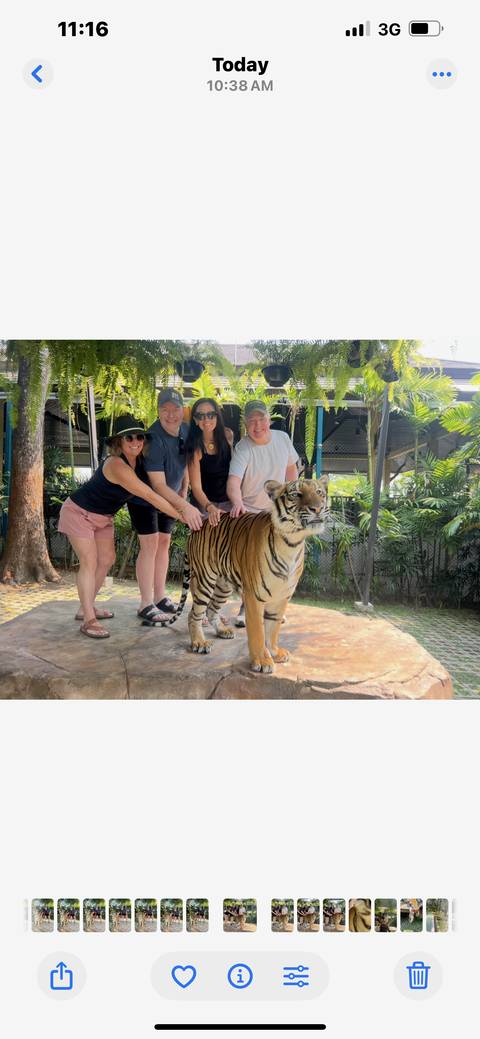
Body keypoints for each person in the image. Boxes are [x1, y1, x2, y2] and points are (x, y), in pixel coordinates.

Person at [58, 415, 184, 638]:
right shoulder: (117, 464)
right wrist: (183, 516)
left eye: (139, 437)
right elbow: (149, 495)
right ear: (118, 441)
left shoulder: (139, 462)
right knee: (89, 561)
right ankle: (88, 619)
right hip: (79, 512)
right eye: (129, 438)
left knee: (107, 560)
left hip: (104, 517)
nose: (135, 441)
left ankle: (85, 606)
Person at [126, 388, 203, 616]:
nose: (171, 415)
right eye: (165, 409)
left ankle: (159, 597)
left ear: (183, 410)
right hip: (145, 497)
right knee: (150, 545)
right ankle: (145, 603)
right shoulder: (153, 438)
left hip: (170, 495)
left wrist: (184, 490)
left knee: (164, 542)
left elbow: (188, 461)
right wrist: (184, 507)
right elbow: (157, 486)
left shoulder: (188, 430)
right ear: (158, 411)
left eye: (176, 409)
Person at [226, 399, 299, 624]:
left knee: (281, 562)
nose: (257, 426)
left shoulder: (283, 439)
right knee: (252, 563)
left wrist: (292, 501)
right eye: (252, 421)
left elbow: (291, 470)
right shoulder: (243, 447)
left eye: (261, 420)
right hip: (251, 513)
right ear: (246, 424)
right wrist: (238, 504)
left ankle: (274, 609)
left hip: (277, 513)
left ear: (269, 419)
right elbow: (233, 482)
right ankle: (245, 608)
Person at [186, 397, 234, 526]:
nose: (206, 419)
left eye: (211, 414)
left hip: (229, 502)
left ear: (217, 417)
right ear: (195, 420)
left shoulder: (228, 436)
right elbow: (195, 487)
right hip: (205, 505)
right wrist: (210, 507)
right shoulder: (195, 448)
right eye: (200, 416)